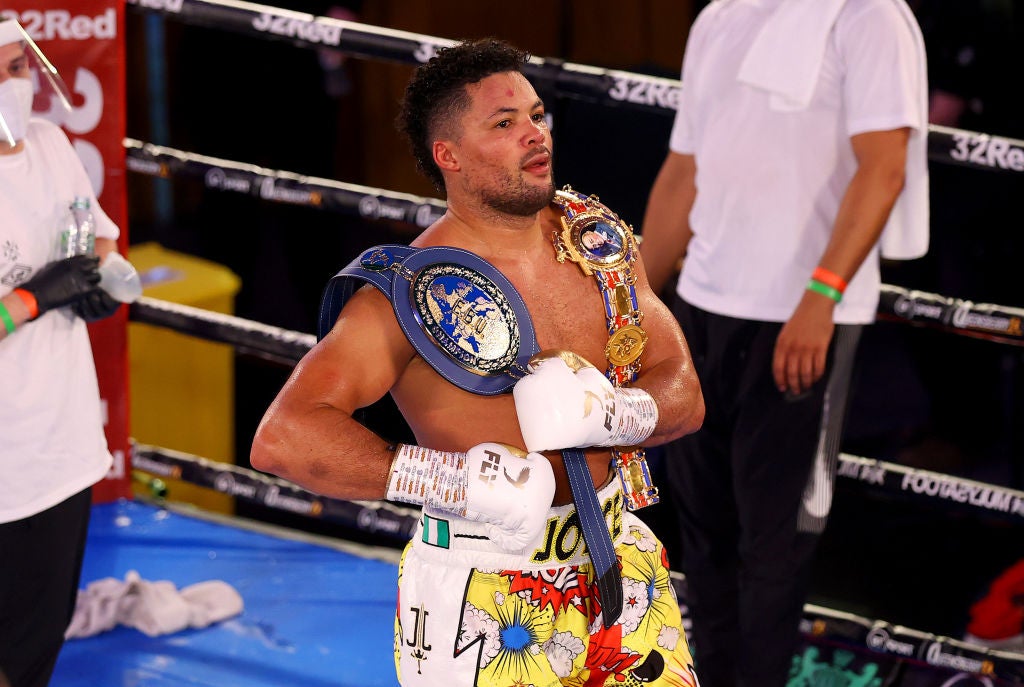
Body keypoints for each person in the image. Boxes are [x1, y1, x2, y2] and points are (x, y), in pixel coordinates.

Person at [251, 38, 705, 687]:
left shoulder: (595, 240)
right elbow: (284, 437)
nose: (534, 133)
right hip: (484, 594)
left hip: (619, 568)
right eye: (505, 122)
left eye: (537, 115)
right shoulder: (405, 293)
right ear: (450, 156)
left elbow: (685, 393)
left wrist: (617, 410)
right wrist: (448, 482)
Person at [639, 1, 929, 686]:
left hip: (802, 315)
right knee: (704, 535)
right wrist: (634, 305)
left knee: (776, 548)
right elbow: (685, 169)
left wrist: (822, 295)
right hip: (702, 305)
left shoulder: (870, 18)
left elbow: (884, 165)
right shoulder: (719, 16)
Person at [0, 19, 126, 687]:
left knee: (34, 648)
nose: (9, 84)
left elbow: (101, 242)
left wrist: (102, 284)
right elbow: (25, 300)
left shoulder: (50, 145)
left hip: (60, 447)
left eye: (17, 66)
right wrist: (33, 298)